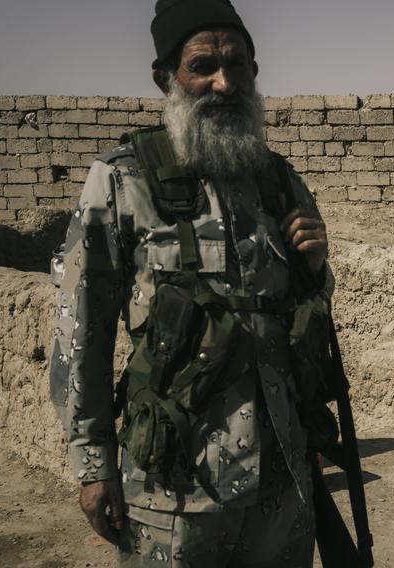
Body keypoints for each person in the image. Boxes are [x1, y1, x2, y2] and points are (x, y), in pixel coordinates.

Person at [48, 1, 333, 565]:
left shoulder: (281, 184)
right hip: (173, 488)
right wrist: (93, 464)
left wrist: (317, 266)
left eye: (238, 65)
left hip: (280, 483)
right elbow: (83, 329)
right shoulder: (123, 180)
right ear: (166, 78)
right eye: (203, 66)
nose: (223, 83)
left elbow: (309, 309)